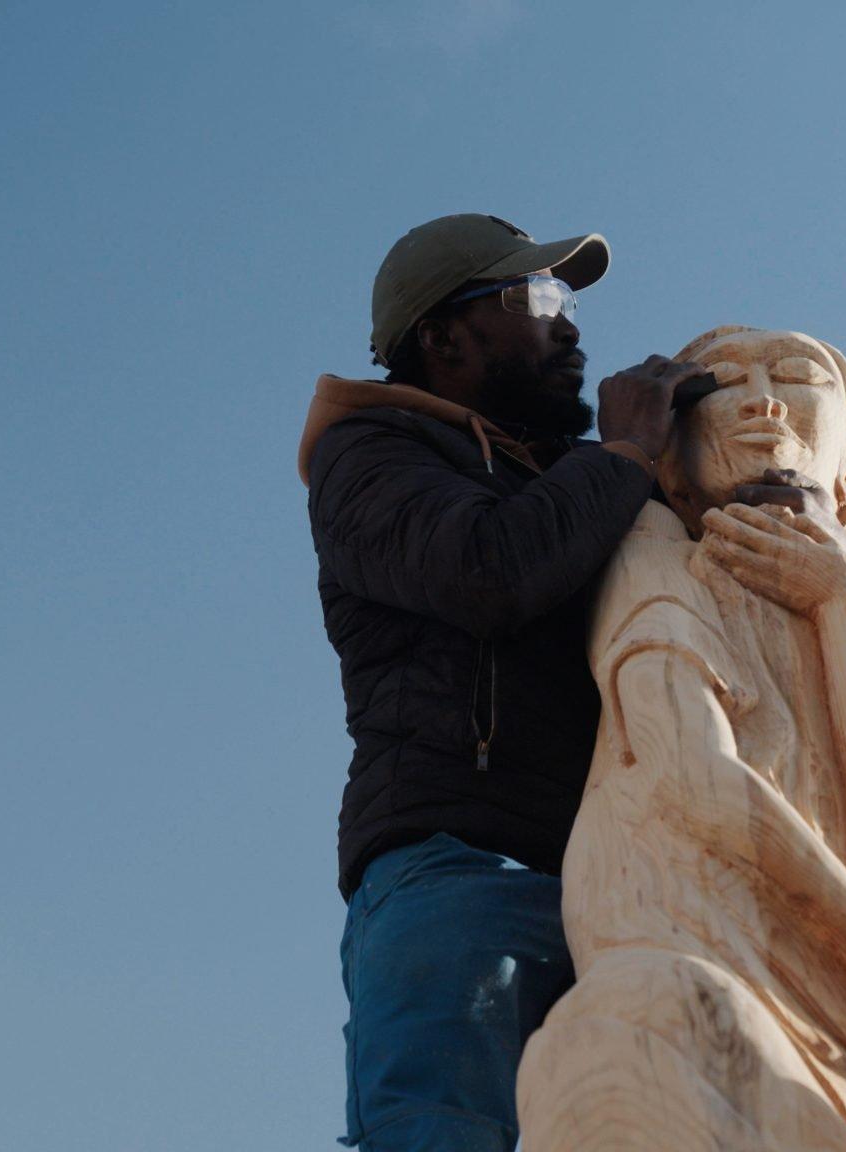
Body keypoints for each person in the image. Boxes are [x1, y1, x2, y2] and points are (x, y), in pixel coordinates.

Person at [299, 213, 717, 1151]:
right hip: (462, 876)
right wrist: (623, 457)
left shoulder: (593, 484)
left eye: (566, 299)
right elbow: (488, 571)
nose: (567, 325)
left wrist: (798, 533)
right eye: (536, 298)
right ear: (442, 338)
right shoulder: (369, 458)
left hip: (626, 884)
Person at [515, 327, 846, 1152]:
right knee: (620, 1046)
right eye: (723, 382)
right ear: (674, 459)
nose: (761, 398)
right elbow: (696, 779)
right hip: (688, 972)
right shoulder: (654, 556)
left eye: (795, 377)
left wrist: (840, 607)